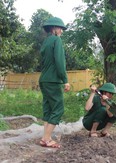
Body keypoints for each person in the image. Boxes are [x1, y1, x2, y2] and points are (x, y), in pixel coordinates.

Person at [39, 17, 70, 148]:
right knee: (58, 108)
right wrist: (65, 80)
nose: (61, 32)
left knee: (48, 108)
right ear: (54, 29)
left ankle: (44, 138)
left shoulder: (46, 42)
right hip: (53, 80)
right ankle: (47, 139)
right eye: (60, 29)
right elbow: (59, 62)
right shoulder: (56, 40)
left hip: (44, 79)